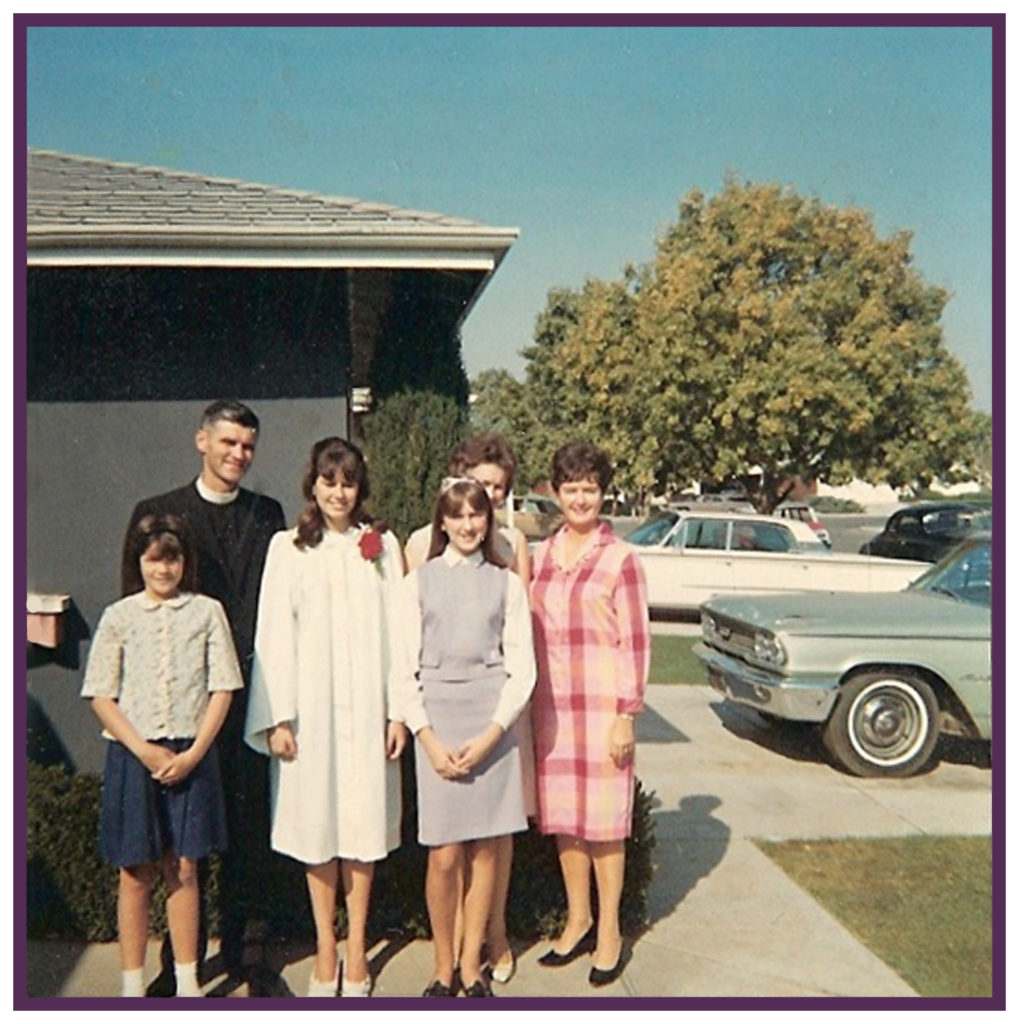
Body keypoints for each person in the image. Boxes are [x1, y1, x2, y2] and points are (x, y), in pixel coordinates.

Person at [122, 400, 285, 991]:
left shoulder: (268, 515)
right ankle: (178, 966)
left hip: (247, 696)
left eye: (247, 446)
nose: (238, 454)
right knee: (179, 843)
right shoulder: (160, 513)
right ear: (201, 441)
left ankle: (253, 957)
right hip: (181, 705)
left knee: (248, 828)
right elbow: (132, 616)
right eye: (227, 443)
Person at [244, 438, 406, 998]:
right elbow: (273, 635)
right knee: (317, 828)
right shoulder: (287, 548)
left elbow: (400, 634)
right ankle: (325, 947)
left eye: (349, 482)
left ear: (361, 488)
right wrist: (278, 717)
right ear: (313, 484)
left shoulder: (382, 545)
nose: (339, 492)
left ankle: (357, 948)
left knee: (362, 826)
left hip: (366, 712)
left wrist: (398, 713)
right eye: (329, 481)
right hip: (309, 714)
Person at [82, 514, 242, 997]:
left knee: (185, 868)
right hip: (136, 754)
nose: (163, 570)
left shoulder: (207, 612)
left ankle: (187, 982)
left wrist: (194, 752)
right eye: (153, 559)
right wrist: (143, 750)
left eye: (171, 559)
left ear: (184, 562)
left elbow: (223, 687)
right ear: (139, 562)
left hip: (190, 755)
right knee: (135, 870)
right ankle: (132, 986)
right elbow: (101, 696)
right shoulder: (120, 616)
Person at [392, 478, 535, 997]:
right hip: (439, 723)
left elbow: (523, 670)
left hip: (491, 723)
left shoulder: (507, 584)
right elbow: (401, 671)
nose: (469, 525)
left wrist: (493, 734)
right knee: (445, 854)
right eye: (457, 516)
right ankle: (441, 967)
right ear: (442, 523)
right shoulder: (417, 582)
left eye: (477, 515)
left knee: (485, 854)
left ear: (488, 520)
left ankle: (472, 966)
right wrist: (427, 740)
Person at [529, 440, 650, 988]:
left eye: (591, 488)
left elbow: (636, 641)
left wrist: (627, 713)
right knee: (565, 823)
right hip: (551, 711)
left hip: (602, 710)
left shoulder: (621, 559)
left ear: (604, 493)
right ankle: (576, 919)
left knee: (604, 825)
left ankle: (608, 931)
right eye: (571, 487)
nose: (581, 498)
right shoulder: (540, 556)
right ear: (555, 492)